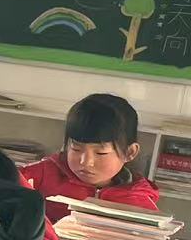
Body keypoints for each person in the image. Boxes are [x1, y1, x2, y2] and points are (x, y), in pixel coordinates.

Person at [20, 93, 158, 222]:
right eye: (76, 149)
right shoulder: (39, 175)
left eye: (100, 153)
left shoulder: (139, 199)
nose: (85, 162)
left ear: (130, 152)